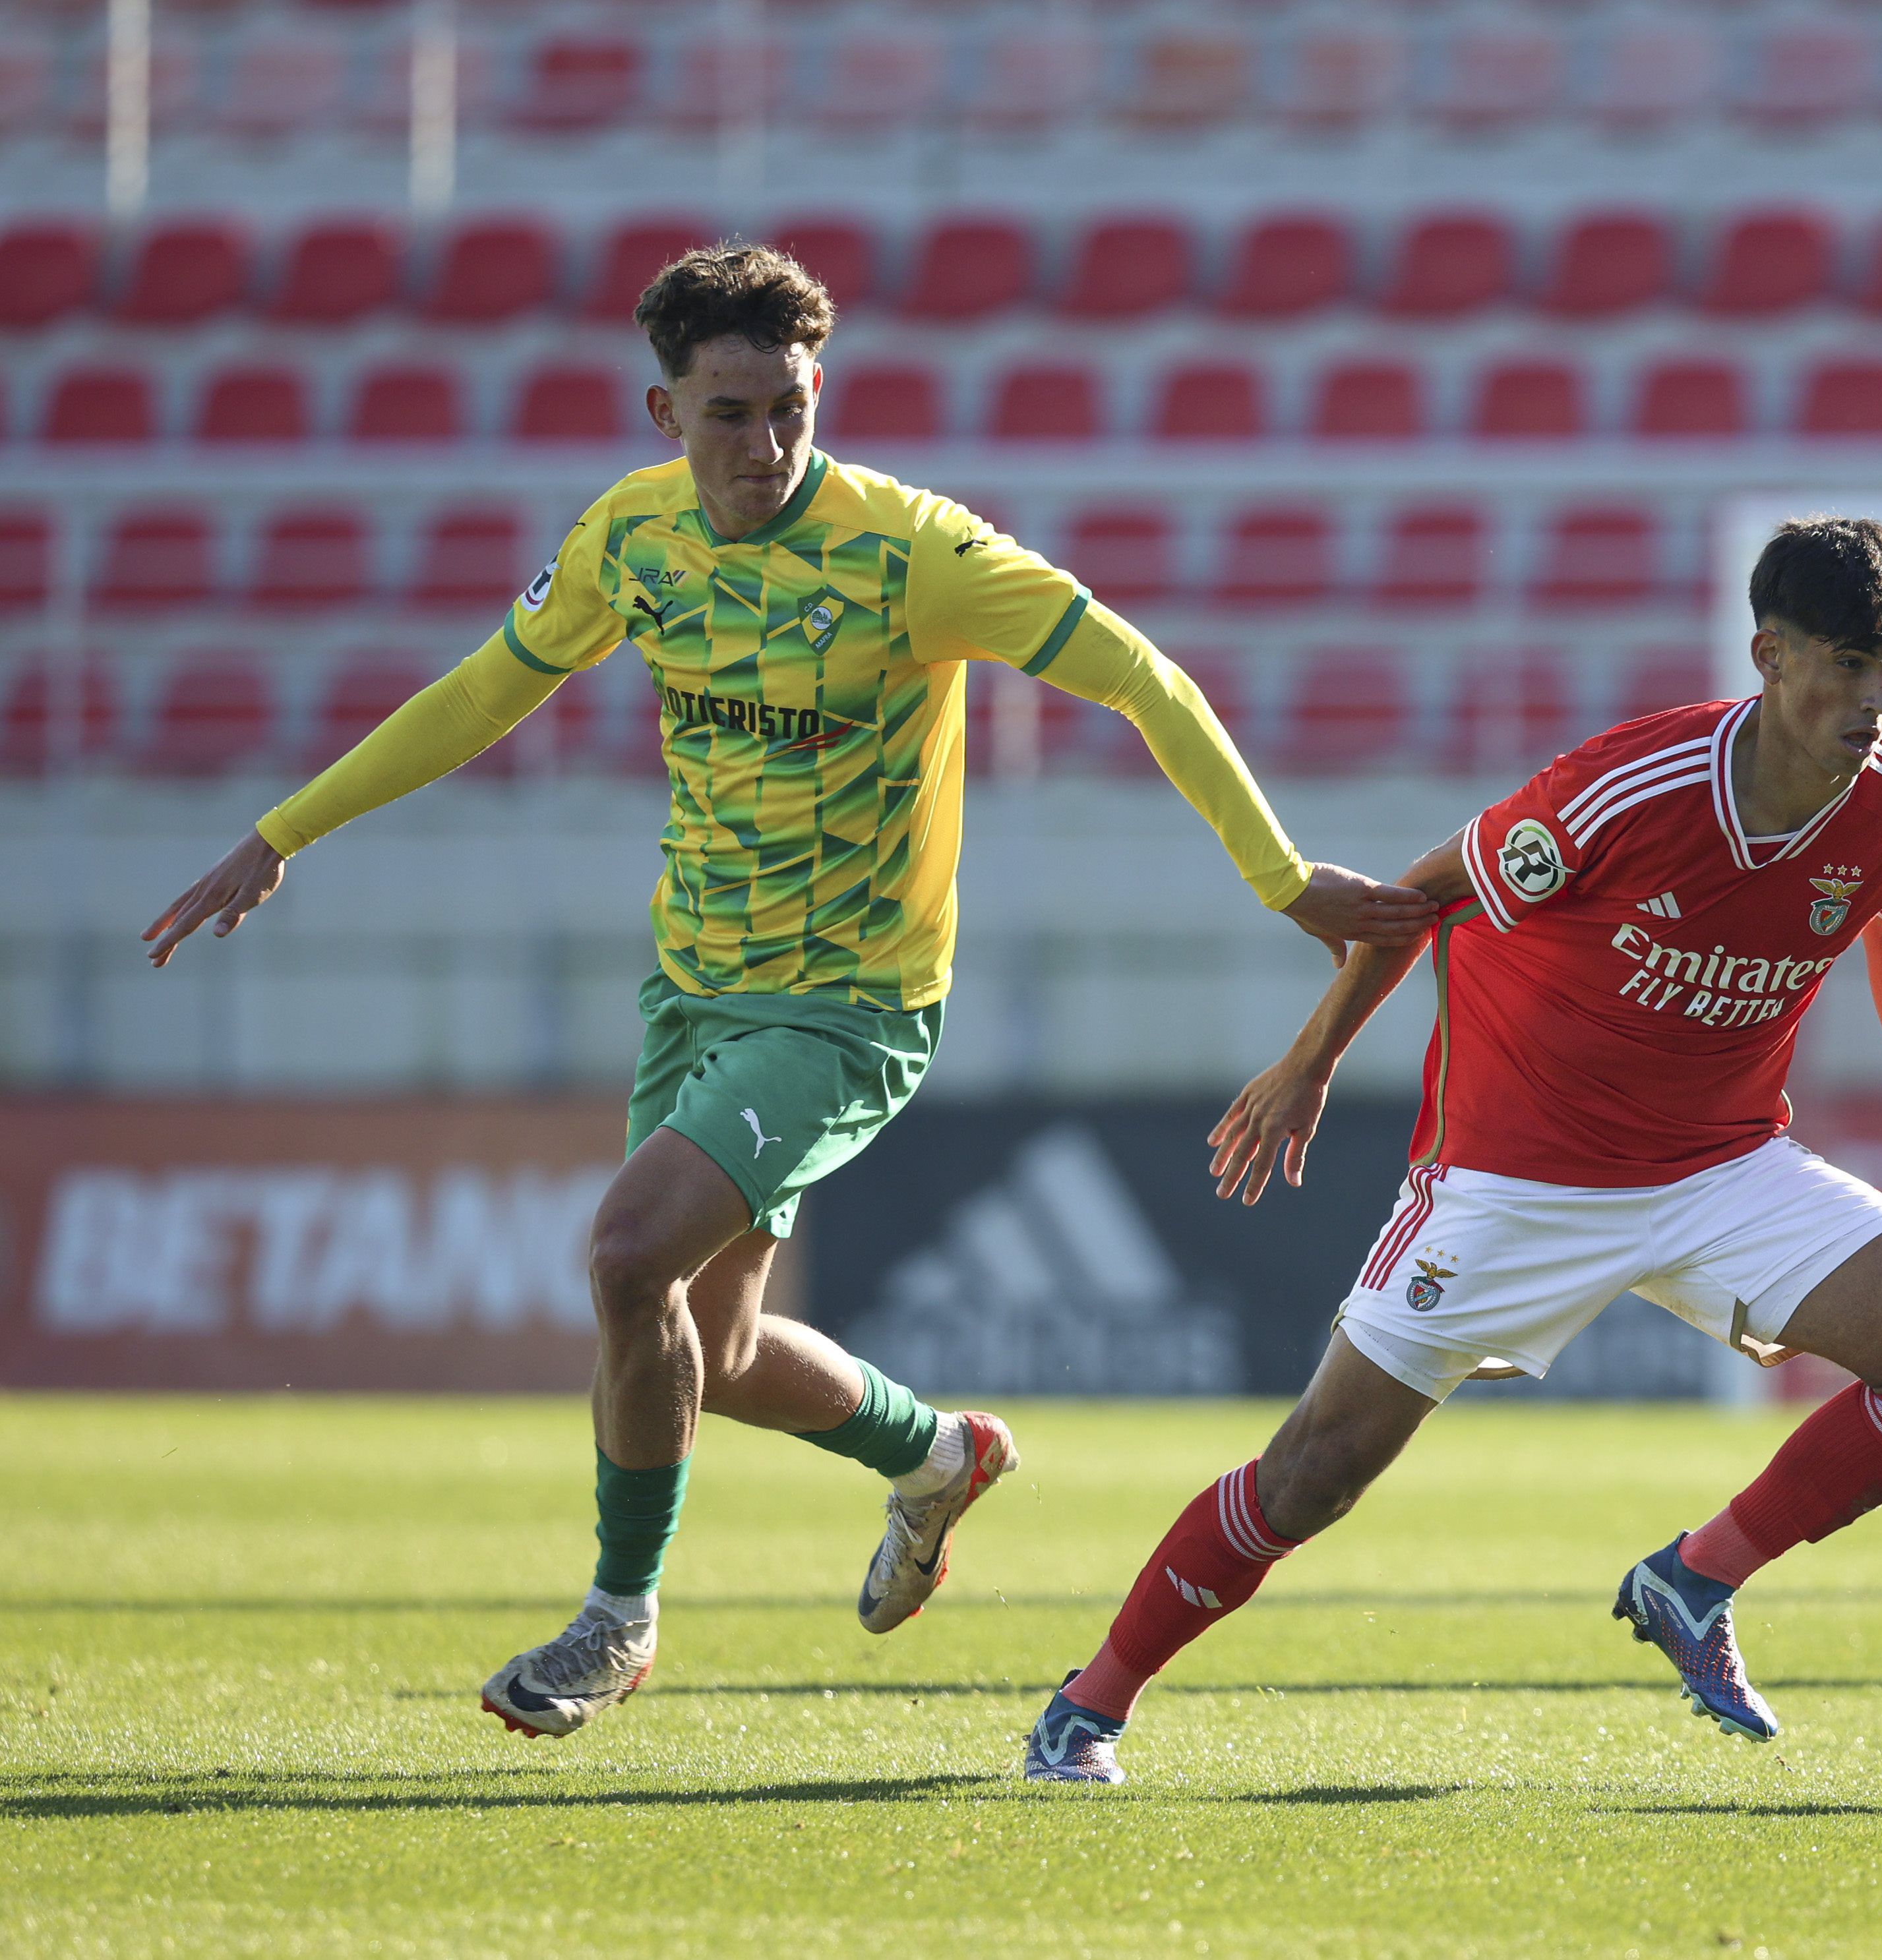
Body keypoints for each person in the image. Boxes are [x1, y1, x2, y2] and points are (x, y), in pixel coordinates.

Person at [140, 243, 1430, 1738]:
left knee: (627, 1255)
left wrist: (1280, 877)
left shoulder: (911, 553)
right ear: (662, 413)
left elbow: (1134, 669)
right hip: (695, 986)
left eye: (788, 409)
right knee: (721, 1346)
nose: (762, 448)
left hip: (851, 1002)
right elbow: (491, 685)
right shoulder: (633, 540)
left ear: (821, 391)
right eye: (727, 415)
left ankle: (617, 1618)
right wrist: (282, 830)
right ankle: (940, 1455)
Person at [1017, 516, 1882, 1785]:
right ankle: (1087, 1705)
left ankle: (1694, 1577)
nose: (1872, 698)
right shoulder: (1633, 788)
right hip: (1513, 1178)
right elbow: (1420, 896)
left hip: (1721, 1166)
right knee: (1313, 1471)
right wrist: (1311, 1056)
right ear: (1768, 654)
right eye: (1842, 662)